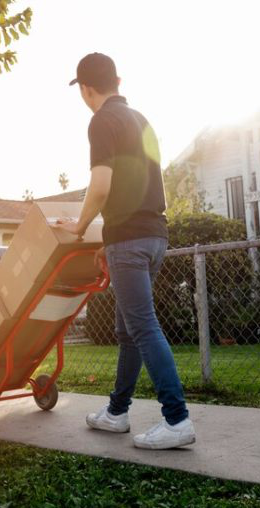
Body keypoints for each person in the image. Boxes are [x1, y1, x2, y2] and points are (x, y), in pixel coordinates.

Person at [57, 53, 195, 450]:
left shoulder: (102, 121)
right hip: (153, 236)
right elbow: (139, 185)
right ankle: (117, 413)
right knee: (129, 330)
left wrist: (80, 228)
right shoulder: (141, 119)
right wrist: (106, 241)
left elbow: (101, 186)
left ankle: (177, 419)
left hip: (131, 242)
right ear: (117, 81)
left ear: (86, 89)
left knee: (143, 327)